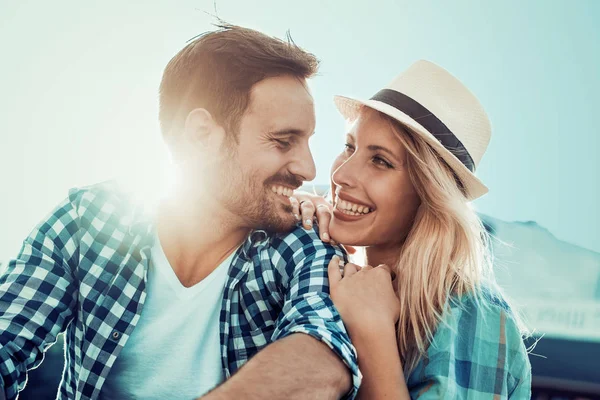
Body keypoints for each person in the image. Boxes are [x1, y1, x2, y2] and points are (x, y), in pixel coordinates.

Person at [0, 24, 360, 400]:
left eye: (306, 142)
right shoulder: (90, 220)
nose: (308, 168)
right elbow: (6, 340)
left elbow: (323, 358)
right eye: (283, 141)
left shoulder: (305, 244)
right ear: (203, 134)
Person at [293, 60, 532, 398]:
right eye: (350, 146)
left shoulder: (473, 314)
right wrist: (289, 219)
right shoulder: (332, 279)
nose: (340, 175)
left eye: (380, 161)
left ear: (428, 193)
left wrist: (372, 333)